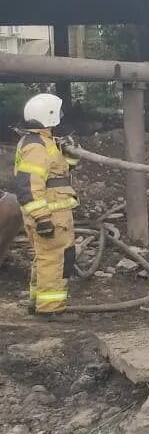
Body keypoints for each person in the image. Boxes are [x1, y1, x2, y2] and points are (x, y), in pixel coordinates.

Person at [12, 94, 79, 315]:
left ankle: (38, 302)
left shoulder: (43, 142)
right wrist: (42, 219)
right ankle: (50, 309)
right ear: (48, 115)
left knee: (45, 258)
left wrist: (70, 156)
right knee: (54, 260)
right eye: (57, 113)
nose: (60, 117)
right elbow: (29, 185)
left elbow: (57, 173)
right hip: (50, 214)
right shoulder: (36, 145)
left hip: (55, 212)